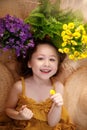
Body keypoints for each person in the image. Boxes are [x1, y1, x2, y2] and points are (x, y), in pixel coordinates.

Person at [4, 39, 76, 130]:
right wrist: (19, 115)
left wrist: (57, 106)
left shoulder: (58, 87)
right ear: (29, 63)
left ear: (57, 64)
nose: (47, 64)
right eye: (40, 58)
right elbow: (8, 109)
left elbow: (52, 123)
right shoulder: (19, 87)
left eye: (52, 59)